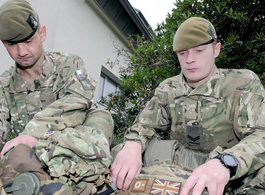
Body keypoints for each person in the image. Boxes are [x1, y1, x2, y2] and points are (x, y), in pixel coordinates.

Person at [0, 0, 114, 194]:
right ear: (3, 43)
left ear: (42, 33)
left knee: (100, 115)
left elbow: (77, 101)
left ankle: (80, 181)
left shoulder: (68, 64)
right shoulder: (1, 86)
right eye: (12, 44)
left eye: (28, 41)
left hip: (69, 148)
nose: (22, 52)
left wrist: (33, 134)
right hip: (28, 158)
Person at [111, 17, 265, 194]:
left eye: (199, 50)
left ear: (216, 49)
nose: (190, 59)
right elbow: (145, 125)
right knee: (121, 152)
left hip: (231, 173)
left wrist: (226, 161)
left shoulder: (242, 83)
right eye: (182, 53)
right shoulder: (169, 87)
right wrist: (133, 145)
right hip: (183, 166)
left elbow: (260, 135)